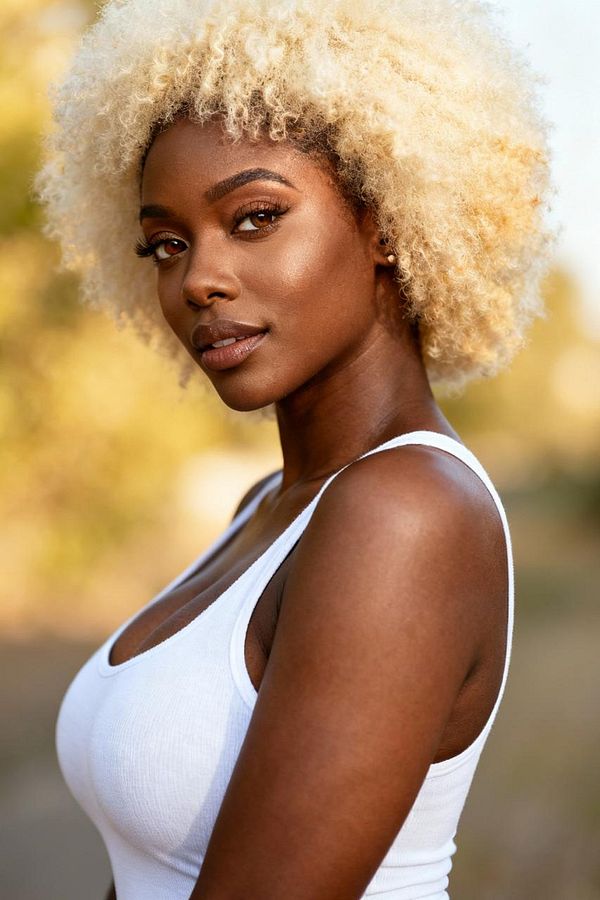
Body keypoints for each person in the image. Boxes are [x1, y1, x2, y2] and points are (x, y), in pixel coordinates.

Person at [37, 0, 553, 897]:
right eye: (165, 244)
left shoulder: (405, 514)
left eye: (254, 217)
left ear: (386, 221)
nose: (198, 280)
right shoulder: (271, 505)